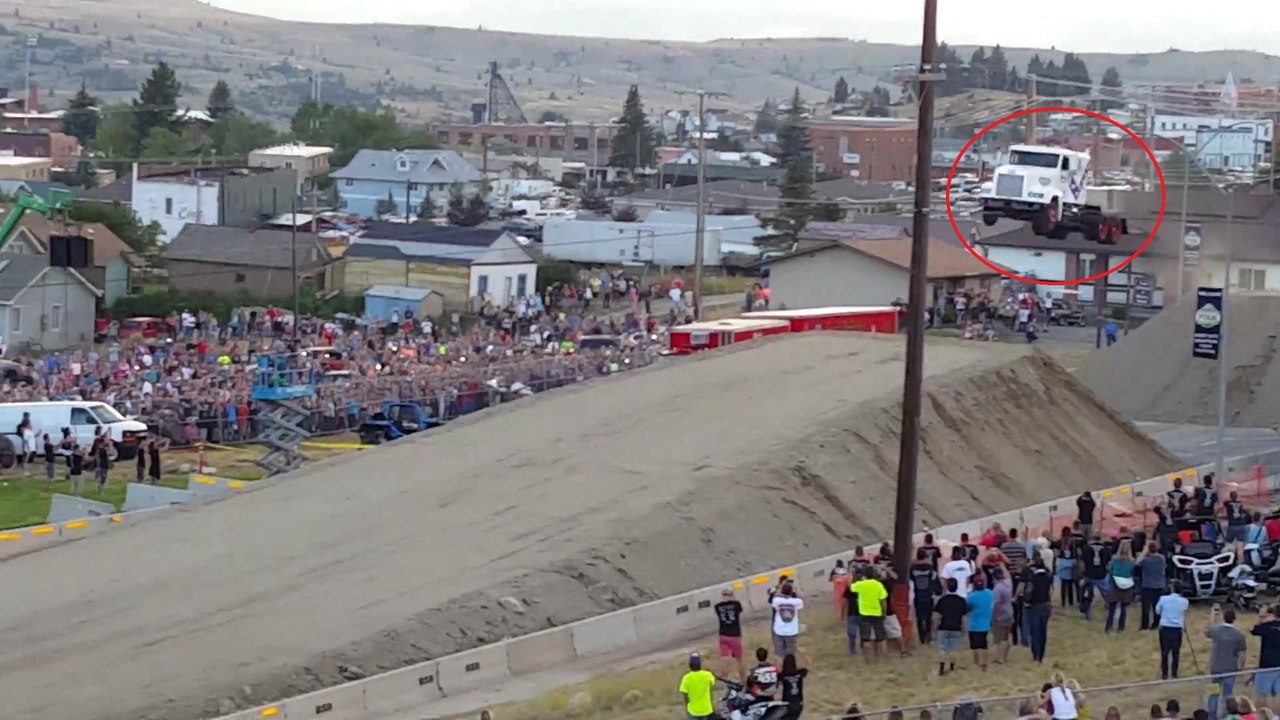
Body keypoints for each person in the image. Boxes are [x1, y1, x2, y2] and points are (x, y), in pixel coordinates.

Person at [1205, 605, 1247, 720]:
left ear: (1223, 617)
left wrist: (1212, 616)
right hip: (1230, 669)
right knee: (1228, 695)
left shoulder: (1216, 631)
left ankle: (1211, 717)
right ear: (1234, 619)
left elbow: (1207, 631)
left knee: (1213, 694)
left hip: (1215, 668)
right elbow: (1242, 654)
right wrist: (1241, 668)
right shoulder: (1239, 635)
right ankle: (1226, 715)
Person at [1021, 552, 1054, 663]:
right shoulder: (1048, 572)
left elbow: (1022, 587)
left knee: (1034, 630)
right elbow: (1051, 588)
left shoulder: (1028, 571)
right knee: (1043, 630)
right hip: (1045, 603)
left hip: (1033, 604)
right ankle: (1041, 654)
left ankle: (1035, 654)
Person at [851, 565, 888, 662]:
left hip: (864, 613)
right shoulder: (878, 585)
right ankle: (881, 658)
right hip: (877, 612)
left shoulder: (861, 584)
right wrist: (884, 612)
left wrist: (854, 576)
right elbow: (883, 601)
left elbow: (851, 587)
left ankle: (867, 659)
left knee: (865, 638)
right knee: (881, 637)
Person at [934, 577, 968, 676]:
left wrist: (936, 626)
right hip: (956, 627)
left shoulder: (943, 600)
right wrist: (964, 627)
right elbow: (964, 617)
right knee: (953, 648)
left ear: (947, 587)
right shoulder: (961, 600)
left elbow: (937, 615)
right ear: (957, 587)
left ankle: (941, 668)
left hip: (943, 627)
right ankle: (952, 668)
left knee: (942, 648)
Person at [1156, 585, 1189, 679]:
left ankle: (1164, 673)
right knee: (1176, 652)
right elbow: (1184, 611)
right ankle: (1174, 673)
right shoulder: (1184, 601)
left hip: (1165, 627)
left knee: (1164, 652)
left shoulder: (1163, 599)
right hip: (1177, 628)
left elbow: (1158, 611)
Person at [909, 547, 941, 644]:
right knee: (928, 616)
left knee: (919, 617)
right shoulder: (929, 568)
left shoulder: (912, 568)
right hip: (928, 595)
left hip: (918, 595)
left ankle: (921, 637)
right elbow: (934, 579)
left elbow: (911, 579)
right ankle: (928, 635)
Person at [1252, 604, 1280, 711]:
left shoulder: (1268, 626)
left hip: (1266, 665)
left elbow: (1255, 630)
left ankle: (1262, 716)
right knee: (1279, 694)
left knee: (1261, 694)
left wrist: (1262, 617)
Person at [714, 589, 745, 680]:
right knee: (739, 658)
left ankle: (724, 677)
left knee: (724, 657)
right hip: (735, 635)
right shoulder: (736, 605)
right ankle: (743, 678)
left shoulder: (717, 606)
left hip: (723, 635)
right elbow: (740, 610)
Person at [1106, 540, 1136, 633]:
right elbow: (1133, 573)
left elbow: (1110, 571)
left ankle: (1109, 626)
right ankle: (1121, 627)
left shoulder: (1114, 560)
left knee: (1112, 607)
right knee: (1123, 607)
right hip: (1127, 584)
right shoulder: (1132, 561)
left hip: (1115, 583)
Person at [1080, 533, 1112, 621]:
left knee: (1087, 595)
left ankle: (1089, 615)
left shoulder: (1086, 548)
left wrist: (1082, 573)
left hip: (1089, 573)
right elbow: (1109, 562)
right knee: (1106, 593)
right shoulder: (1106, 549)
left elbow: (1082, 562)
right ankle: (1111, 607)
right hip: (1101, 574)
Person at [967, 574, 995, 670]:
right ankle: (985, 663)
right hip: (986, 623)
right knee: (984, 645)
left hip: (974, 624)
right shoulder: (990, 593)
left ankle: (976, 662)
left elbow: (967, 608)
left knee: (975, 646)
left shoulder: (972, 596)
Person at [770, 580, 803, 659]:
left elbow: (776, 596)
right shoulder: (796, 602)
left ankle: (781, 669)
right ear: (791, 591)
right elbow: (800, 598)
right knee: (791, 655)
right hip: (792, 631)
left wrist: (781, 587)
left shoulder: (777, 601)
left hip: (779, 630)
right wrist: (795, 588)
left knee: (779, 654)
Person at [1138, 543, 1167, 631]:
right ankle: (1155, 624)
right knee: (1157, 606)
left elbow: (1137, 564)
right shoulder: (1162, 559)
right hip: (1159, 584)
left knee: (1146, 607)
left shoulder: (1146, 560)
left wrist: (1143, 553)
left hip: (1147, 585)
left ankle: (1145, 625)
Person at [678, 652, 716, 720]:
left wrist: (687, 706)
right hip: (707, 709)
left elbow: (685, 695)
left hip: (693, 710)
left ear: (690, 664)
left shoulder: (686, 678)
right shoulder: (707, 675)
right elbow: (712, 685)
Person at [991, 567, 1015, 664]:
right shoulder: (1008, 584)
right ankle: (1004, 657)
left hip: (1001, 615)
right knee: (1006, 636)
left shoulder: (997, 588)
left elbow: (995, 604)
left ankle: (1000, 658)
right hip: (1009, 612)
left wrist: (994, 616)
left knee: (1000, 639)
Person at [778, 653, 807, 720]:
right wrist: (804, 655)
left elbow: (776, 675)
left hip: (787, 704)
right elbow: (808, 666)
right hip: (799, 703)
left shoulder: (783, 675)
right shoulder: (800, 673)